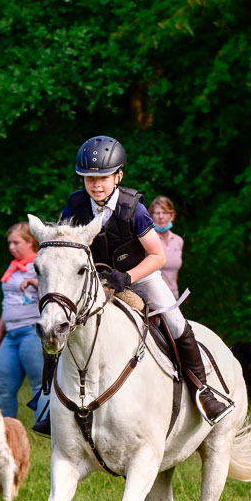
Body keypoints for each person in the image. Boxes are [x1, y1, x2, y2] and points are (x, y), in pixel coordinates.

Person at [32, 135, 233, 436]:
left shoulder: (132, 208)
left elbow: (158, 255)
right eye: (89, 179)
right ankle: (49, 400)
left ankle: (203, 390)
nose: (96, 184)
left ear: (118, 176)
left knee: (175, 322)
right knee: (61, 324)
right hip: (95, 280)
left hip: (140, 274)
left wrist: (129, 277)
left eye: (103, 178)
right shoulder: (75, 204)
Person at [0, 222, 45, 419]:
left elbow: (53, 290)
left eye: (16, 243)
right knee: (5, 387)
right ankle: (4, 429)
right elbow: (9, 302)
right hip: (11, 333)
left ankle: (44, 426)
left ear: (31, 242)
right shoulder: (12, 268)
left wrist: (34, 281)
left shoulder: (40, 264)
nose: (11, 247)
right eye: (9, 243)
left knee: (38, 383)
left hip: (32, 330)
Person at [149, 195, 183, 300]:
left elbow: (174, 273)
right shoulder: (147, 239)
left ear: (172, 216)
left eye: (165, 212)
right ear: (151, 216)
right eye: (157, 213)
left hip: (174, 298)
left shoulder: (178, 241)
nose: (161, 217)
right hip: (153, 298)